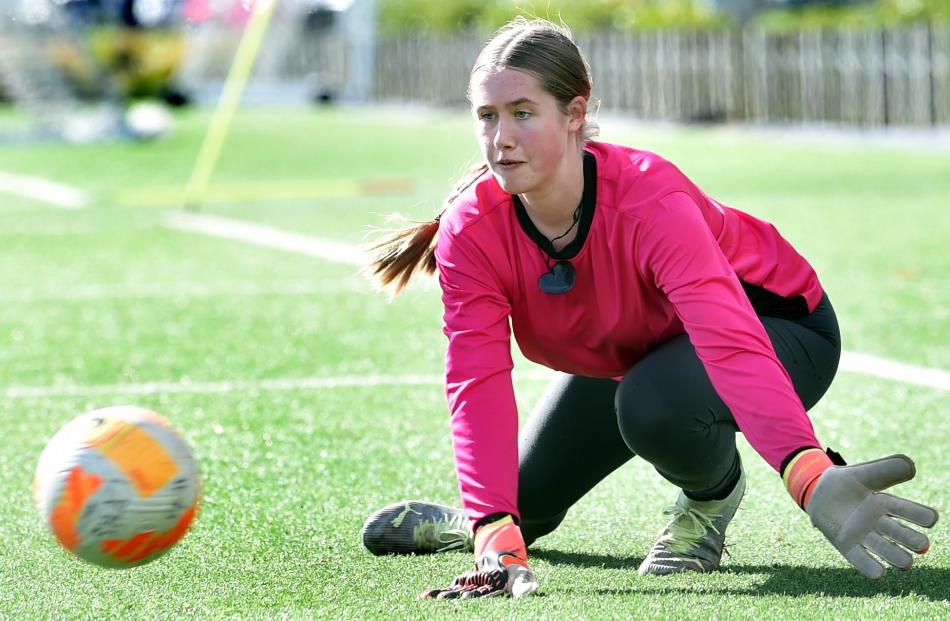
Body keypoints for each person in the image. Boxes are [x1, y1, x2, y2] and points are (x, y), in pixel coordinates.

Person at [360, 17, 939, 599]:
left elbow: (728, 340)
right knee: (522, 506)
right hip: (645, 352)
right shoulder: (470, 229)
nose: (500, 137)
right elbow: (476, 378)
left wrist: (808, 473)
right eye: (487, 116)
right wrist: (494, 531)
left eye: (523, 113)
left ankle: (709, 500)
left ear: (575, 113)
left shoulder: (650, 199)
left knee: (653, 404)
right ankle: (478, 524)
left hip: (781, 329)